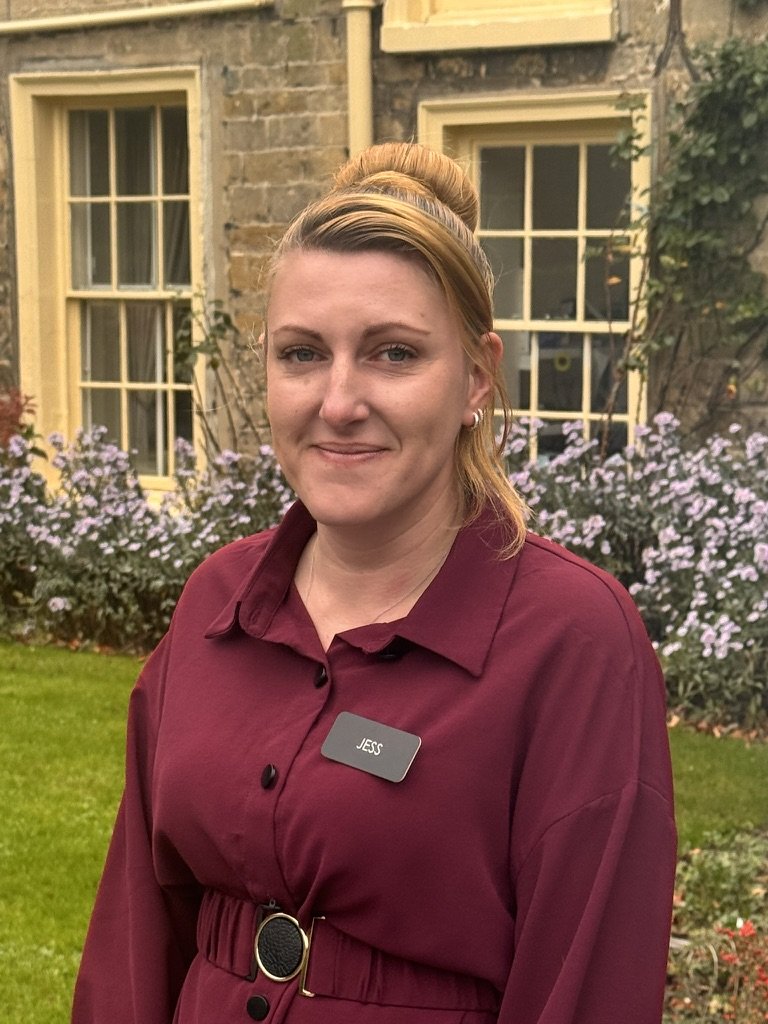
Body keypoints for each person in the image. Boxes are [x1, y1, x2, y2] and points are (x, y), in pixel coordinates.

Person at [72, 142, 676, 1024]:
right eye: (302, 354)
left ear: (476, 377)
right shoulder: (216, 605)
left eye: (394, 354)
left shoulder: (572, 642)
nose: (339, 400)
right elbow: (136, 932)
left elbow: (587, 991)